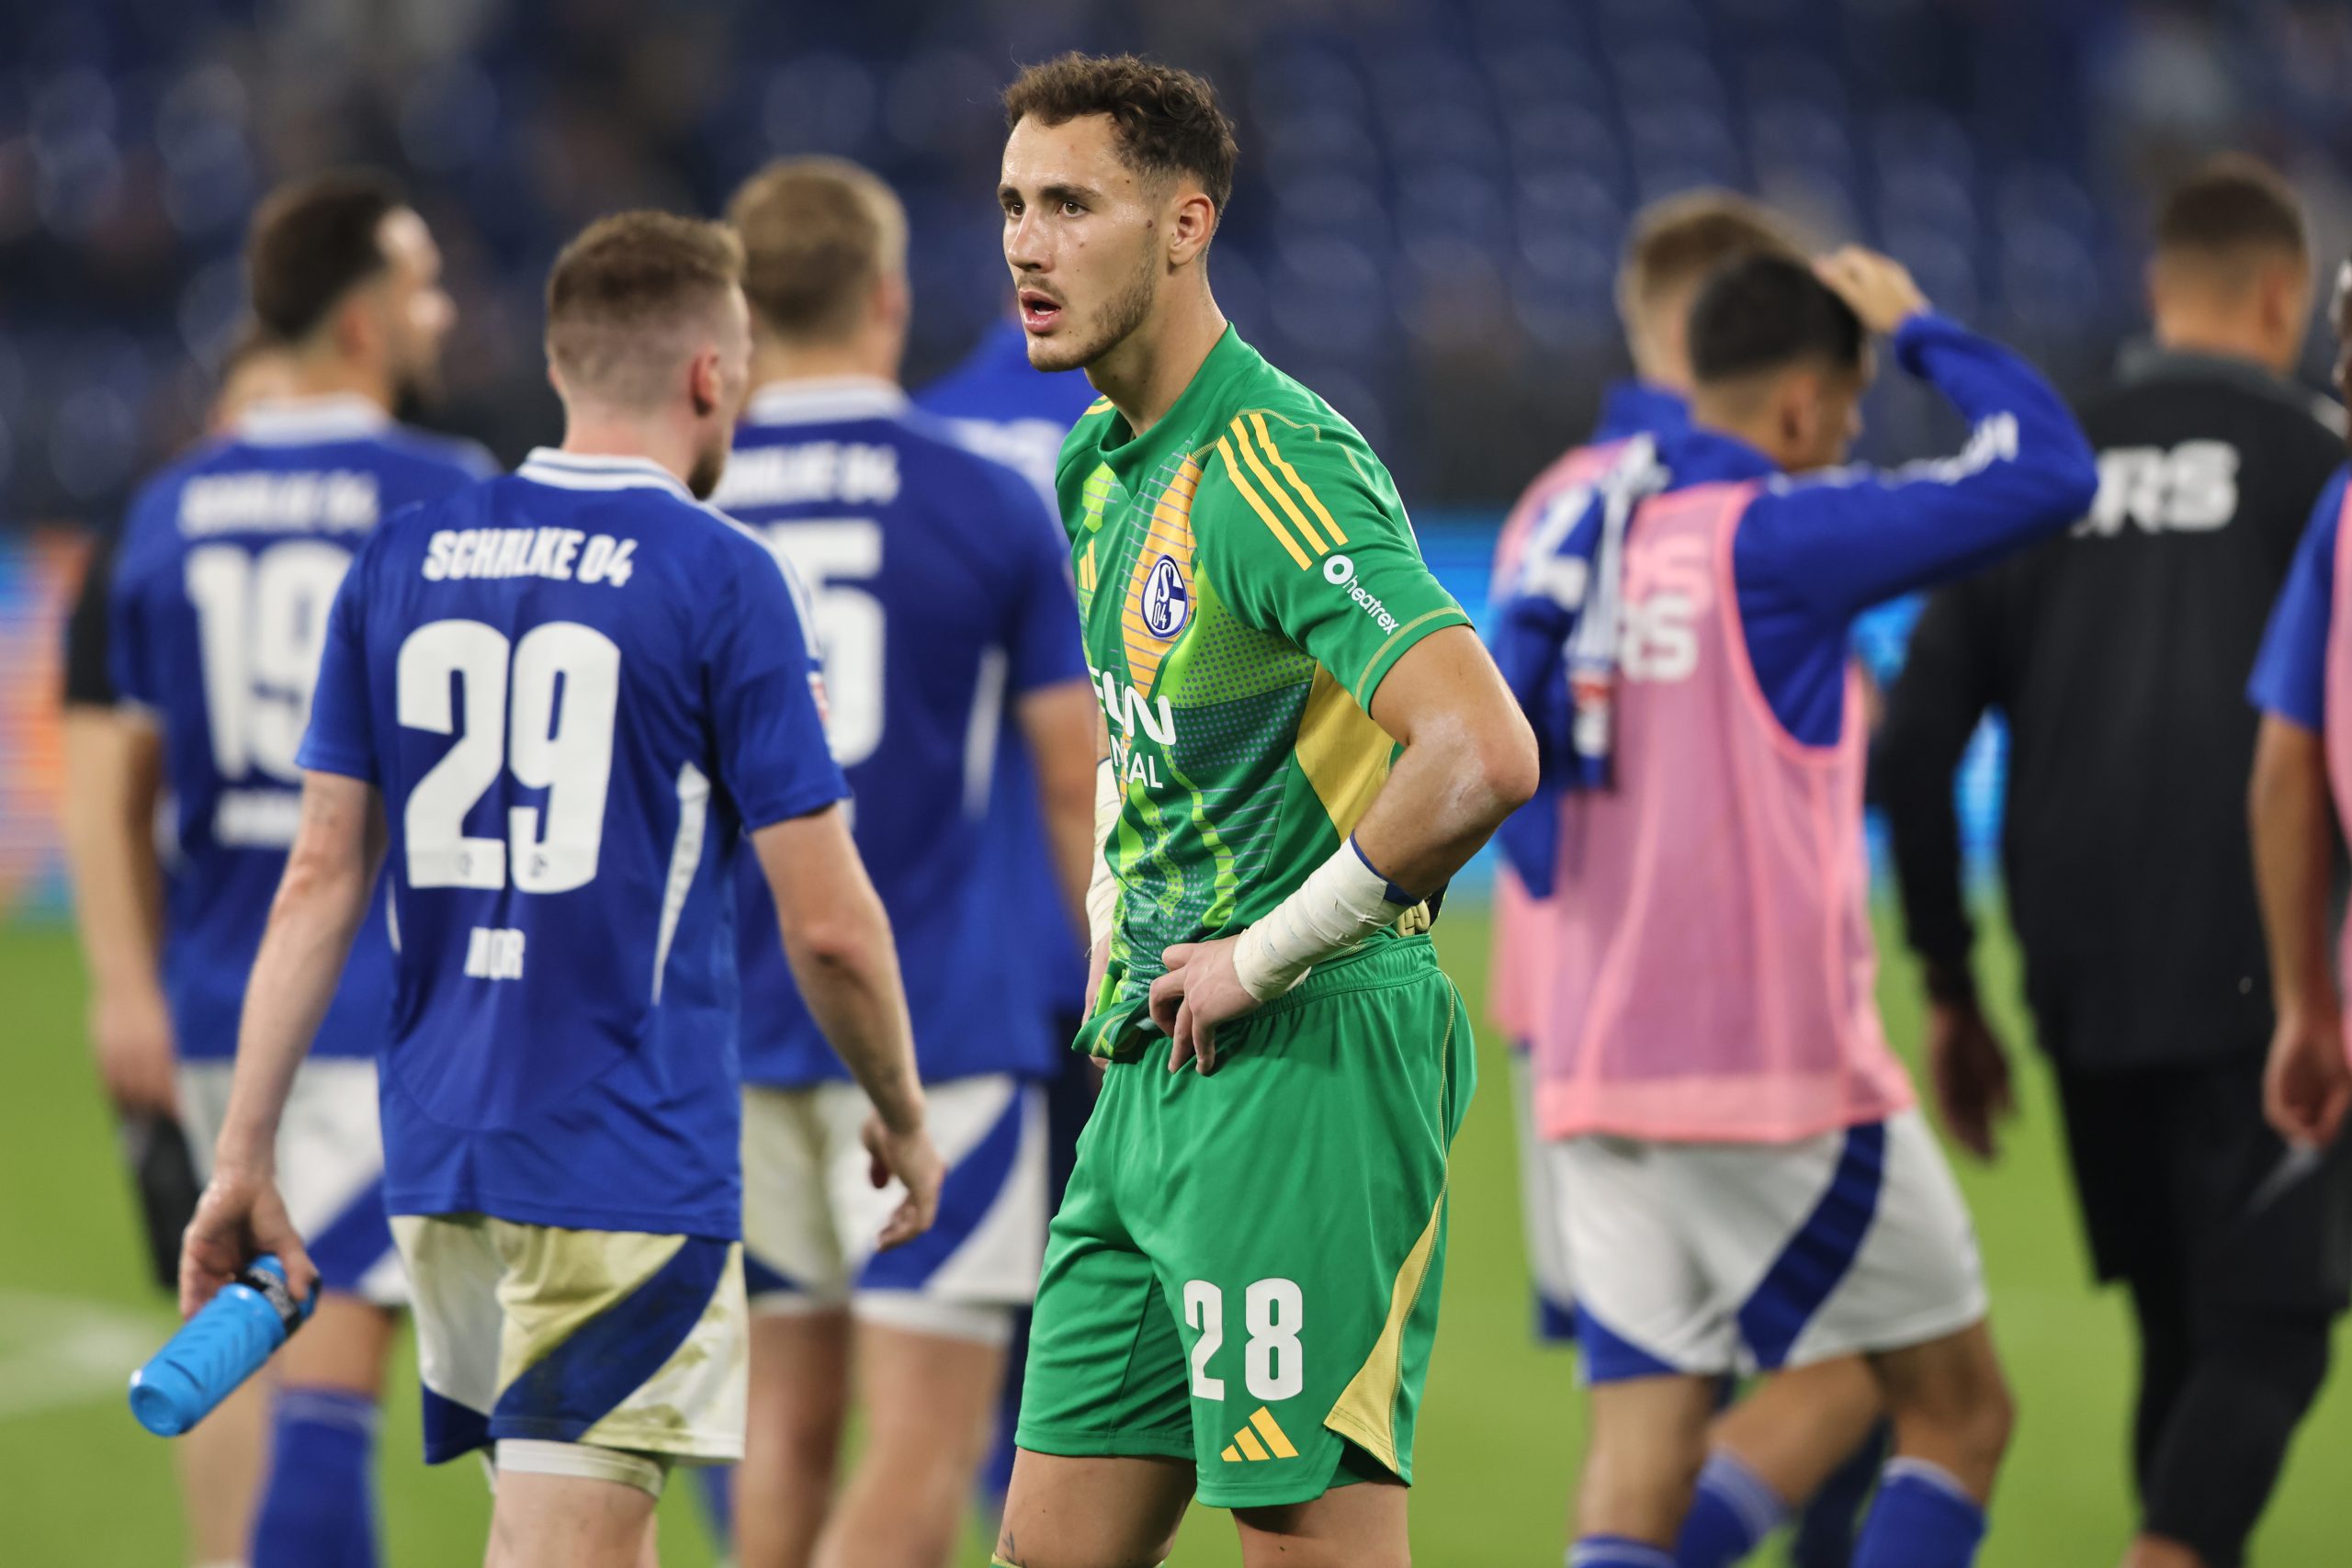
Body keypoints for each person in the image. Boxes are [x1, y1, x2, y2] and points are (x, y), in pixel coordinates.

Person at [175, 209, 944, 1568]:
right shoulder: (722, 573)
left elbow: (319, 880)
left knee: (581, 1525)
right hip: (618, 1157)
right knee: (563, 1544)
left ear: (558, 362)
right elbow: (828, 923)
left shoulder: (404, 556)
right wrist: (900, 1107)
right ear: (711, 373)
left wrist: (242, 1158)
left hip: (442, 1157)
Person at [989, 53, 1538, 1568]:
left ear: (1186, 225)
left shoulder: (1273, 461)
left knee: (1308, 1543)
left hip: (1302, 1060)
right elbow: (1140, 745)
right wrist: (1114, 930)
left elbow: (1481, 751)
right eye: (1016, 206)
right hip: (1152, 1065)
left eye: (1073, 206)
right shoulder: (1098, 466)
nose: (1029, 244)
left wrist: (1269, 949)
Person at [1492, 248, 2099, 1568]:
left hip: (1593, 1073)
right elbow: (2052, 470)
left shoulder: (1585, 530)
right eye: (1852, 406)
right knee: (1960, 1414)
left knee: (1643, 1460)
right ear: (1799, 404)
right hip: (1769, 1080)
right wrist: (1923, 329)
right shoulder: (1776, 537)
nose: (1851, 436)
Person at [1883, 156, 2352, 1568]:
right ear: (2282, 294)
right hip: (2274, 971)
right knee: (2272, 1326)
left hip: (2080, 975)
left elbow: (1913, 746)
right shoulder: (2322, 467)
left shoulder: (2048, 465)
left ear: (2160, 288)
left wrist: (1951, 984)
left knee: (2178, 1319)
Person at [1490, 189, 1888, 1568]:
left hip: (1570, 1026)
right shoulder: (1758, 507)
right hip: (1735, 1021)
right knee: (1867, 1375)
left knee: (1659, 1408)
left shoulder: (1554, 502)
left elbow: (1509, 765)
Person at [710, 156, 1098, 1568]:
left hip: (733, 1028)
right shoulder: (987, 499)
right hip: (940, 1030)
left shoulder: (693, 503)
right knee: (928, 1443)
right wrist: (1116, 994)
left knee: (782, 1429)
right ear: (888, 294)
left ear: (739, 312)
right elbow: (1075, 780)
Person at [100, 174, 490, 1568]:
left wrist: (133, 980)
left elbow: (132, 770)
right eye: (423, 285)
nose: (443, 311)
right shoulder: (448, 493)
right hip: (387, 995)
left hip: (227, 997)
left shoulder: (170, 509)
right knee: (341, 1387)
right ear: (365, 320)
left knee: (288, 1368)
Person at [56, 324, 306, 1568]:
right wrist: (123, 988)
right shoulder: (149, 545)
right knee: (227, 1324)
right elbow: (97, 784)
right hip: (215, 1003)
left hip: (373, 1006)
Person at [914, 234, 1109, 1528]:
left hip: (927, 935)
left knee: (937, 1313)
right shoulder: (1145, 431)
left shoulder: (923, 439)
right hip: (1088, 914)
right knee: (1078, 1297)